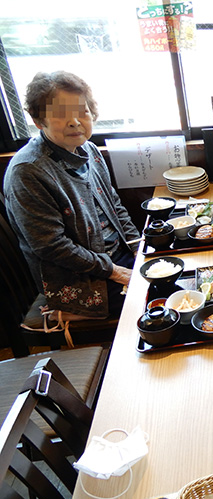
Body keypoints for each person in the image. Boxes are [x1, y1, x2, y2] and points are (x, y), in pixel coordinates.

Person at [3, 71, 139, 321]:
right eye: (61, 115)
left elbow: (114, 204)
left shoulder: (88, 149)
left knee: (179, 274)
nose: (75, 122)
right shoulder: (28, 171)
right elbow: (52, 247)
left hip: (115, 258)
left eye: (82, 112)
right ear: (38, 120)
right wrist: (115, 271)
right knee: (154, 301)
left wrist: (137, 247)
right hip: (77, 280)